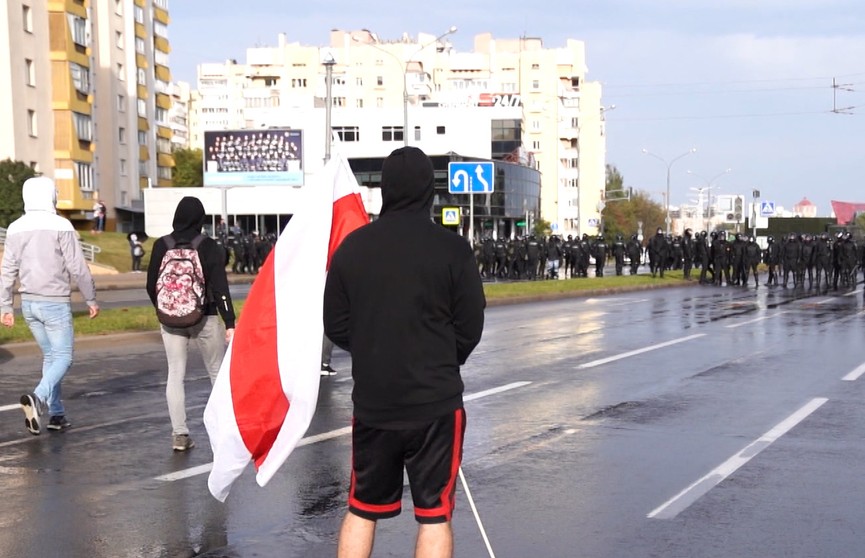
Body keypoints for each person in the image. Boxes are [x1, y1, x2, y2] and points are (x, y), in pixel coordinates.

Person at [324, 147, 486, 558]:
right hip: (435, 402)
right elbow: (471, 324)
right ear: (430, 193)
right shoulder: (453, 250)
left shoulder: (352, 249)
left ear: (385, 191)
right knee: (434, 514)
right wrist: (442, 359)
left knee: (362, 507)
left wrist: (374, 351)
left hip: (375, 401)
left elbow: (336, 324)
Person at [0, 176, 100, 435]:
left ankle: (56, 414)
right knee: (64, 357)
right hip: (54, 302)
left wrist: (6, 307)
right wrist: (90, 298)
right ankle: (39, 397)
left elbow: (7, 270)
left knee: (51, 357)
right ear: (50, 195)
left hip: (29, 304)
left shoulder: (14, 228)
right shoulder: (61, 225)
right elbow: (78, 266)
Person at [145, 196, 236, 452]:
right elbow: (220, 288)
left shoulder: (161, 245)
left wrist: (165, 308)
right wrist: (229, 321)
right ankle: (225, 430)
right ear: (200, 219)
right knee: (216, 373)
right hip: (204, 316)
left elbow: (151, 284)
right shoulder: (208, 246)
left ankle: (180, 435)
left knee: (175, 374)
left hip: (170, 320)